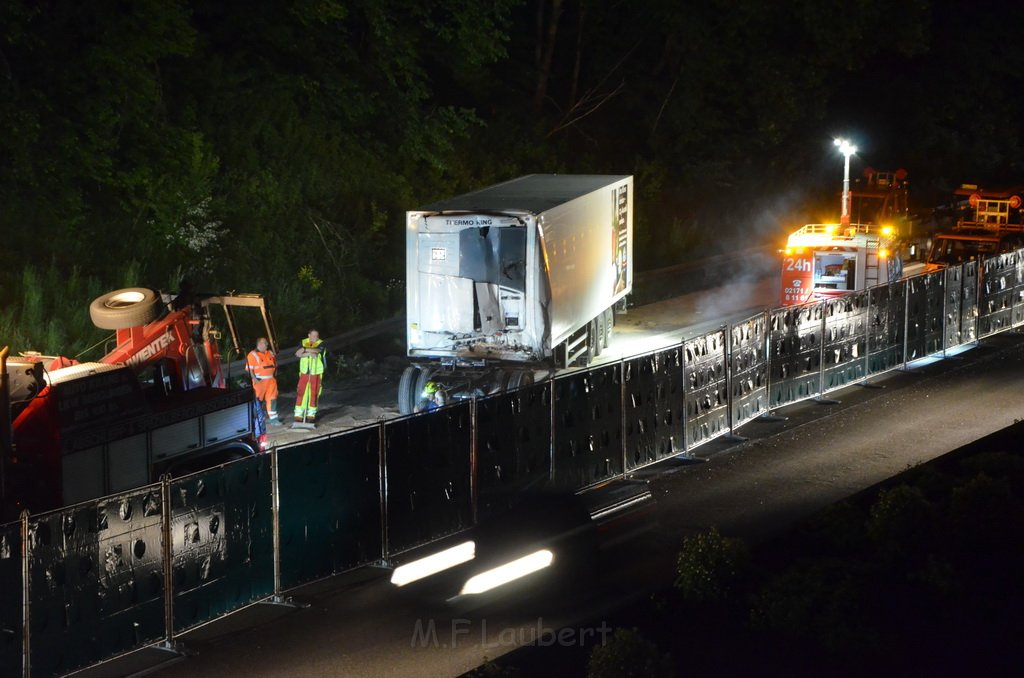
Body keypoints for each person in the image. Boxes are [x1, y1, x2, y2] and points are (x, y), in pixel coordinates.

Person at [294, 329, 326, 425]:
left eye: (317, 336)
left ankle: (311, 416)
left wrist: (304, 349)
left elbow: (318, 351)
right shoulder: (302, 342)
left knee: (314, 393)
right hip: (304, 371)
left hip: (316, 371)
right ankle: (298, 415)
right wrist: (308, 353)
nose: (315, 337)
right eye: (313, 335)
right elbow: (297, 354)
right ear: (309, 335)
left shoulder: (321, 343)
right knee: (301, 392)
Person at [246, 337, 280, 426]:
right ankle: (256, 420)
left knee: (272, 399)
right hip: (260, 381)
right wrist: (255, 380)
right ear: (260, 344)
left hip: (271, 381)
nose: (267, 344)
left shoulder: (270, 353)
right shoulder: (252, 355)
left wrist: (274, 377)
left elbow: (275, 366)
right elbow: (250, 370)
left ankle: (274, 419)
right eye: (265, 343)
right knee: (258, 401)